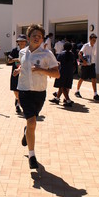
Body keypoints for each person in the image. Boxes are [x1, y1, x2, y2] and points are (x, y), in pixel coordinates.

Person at [13, 24, 59, 169]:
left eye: (40, 36)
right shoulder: (22, 53)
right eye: (34, 36)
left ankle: (27, 131)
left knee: (31, 123)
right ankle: (32, 155)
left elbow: (56, 74)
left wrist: (41, 70)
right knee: (32, 121)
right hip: (24, 91)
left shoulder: (47, 54)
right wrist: (18, 70)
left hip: (39, 93)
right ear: (28, 38)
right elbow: (24, 66)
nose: (37, 38)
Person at [75, 33, 99, 101]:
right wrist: (84, 61)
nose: (94, 41)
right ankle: (77, 91)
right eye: (93, 40)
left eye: (95, 40)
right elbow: (80, 53)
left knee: (94, 78)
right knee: (82, 78)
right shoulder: (86, 45)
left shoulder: (95, 46)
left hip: (92, 64)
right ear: (90, 39)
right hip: (86, 65)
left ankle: (95, 94)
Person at [7, 34, 28, 113]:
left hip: (24, 73)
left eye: (23, 41)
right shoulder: (15, 50)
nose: (22, 43)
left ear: (26, 42)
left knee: (22, 89)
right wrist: (17, 59)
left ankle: (18, 104)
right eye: (20, 41)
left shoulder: (28, 51)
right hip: (15, 72)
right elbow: (8, 60)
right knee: (15, 89)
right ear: (18, 42)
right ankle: (17, 99)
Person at [49, 41, 75, 106]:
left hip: (62, 71)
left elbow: (57, 63)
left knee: (62, 86)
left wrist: (53, 71)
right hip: (70, 72)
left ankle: (68, 100)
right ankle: (57, 98)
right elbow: (74, 63)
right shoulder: (72, 55)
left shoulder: (61, 54)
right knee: (65, 86)